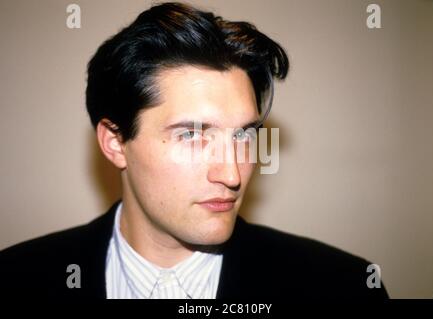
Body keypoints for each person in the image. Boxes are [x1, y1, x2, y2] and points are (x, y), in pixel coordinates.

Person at [0, 2, 388, 299]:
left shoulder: (341, 288)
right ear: (115, 142)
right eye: (192, 135)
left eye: (243, 135)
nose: (232, 175)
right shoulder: (18, 279)